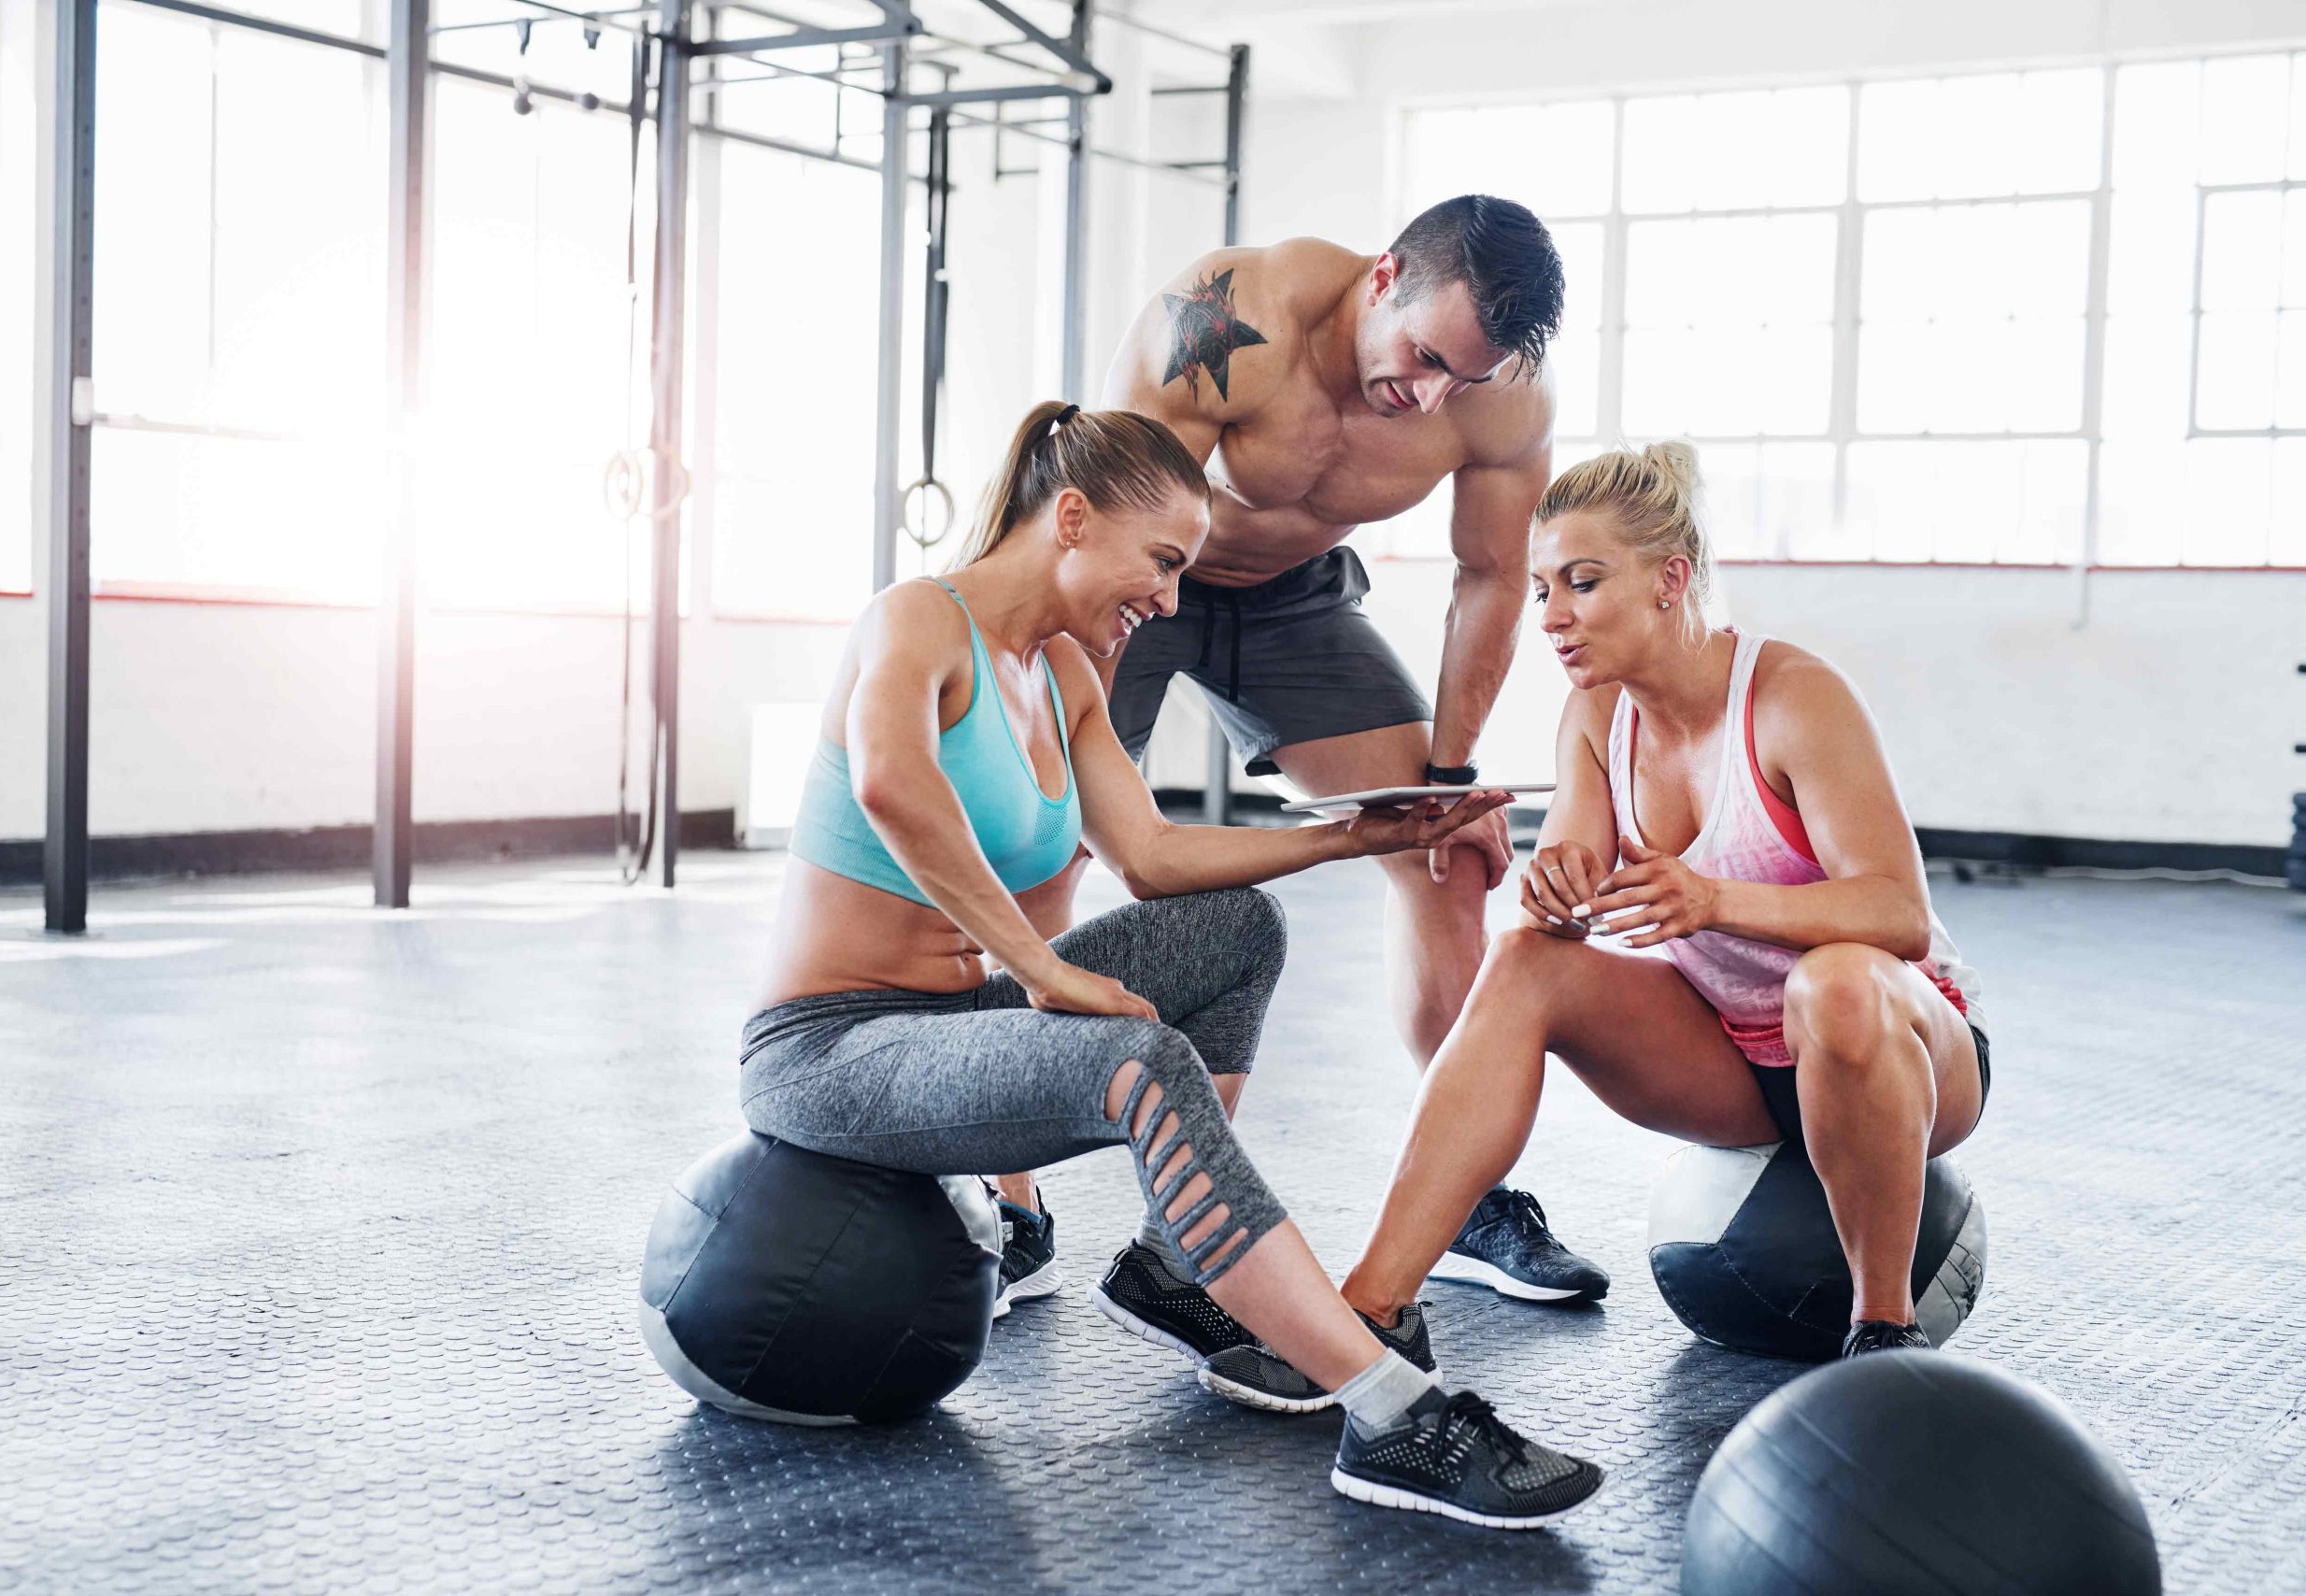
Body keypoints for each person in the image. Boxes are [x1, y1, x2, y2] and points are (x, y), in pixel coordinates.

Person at [740, 399, 1603, 1528]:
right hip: (829, 1053)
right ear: (1071, 518)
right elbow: (891, 785)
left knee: (1237, 928)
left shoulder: (1061, 672)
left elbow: (1150, 856)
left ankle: (1170, 1266)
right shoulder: (914, 622)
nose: (1168, 598)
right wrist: (1043, 971)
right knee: (1142, 1064)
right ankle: (1394, 1412)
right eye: (1160, 562)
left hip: (952, 1027)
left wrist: (1358, 834)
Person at [1219, 442, 1990, 1397]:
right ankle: (1368, 1320)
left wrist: (1714, 899)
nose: (1550, 616)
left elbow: (1896, 914)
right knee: (1522, 961)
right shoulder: (1595, 715)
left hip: (1902, 1049)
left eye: (1581, 584)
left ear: (1670, 579)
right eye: (1543, 588)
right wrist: (1555, 890)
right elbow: (1569, 875)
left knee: (1833, 979)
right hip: (1737, 1059)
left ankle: (1882, 1331)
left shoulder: (1793, 697)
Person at [999, 194, 1610, 1313]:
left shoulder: (1504, 395)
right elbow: (1123, 520)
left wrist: (1448, 780)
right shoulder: (1226, 320)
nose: (1432, 396)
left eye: (1462, 380)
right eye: (1423, 358)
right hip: (1141, 584)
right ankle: (1012, 1211)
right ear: (1382, 278)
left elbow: (1488, 576)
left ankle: (1468, 1201)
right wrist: (1066, 731)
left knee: (1447, 854)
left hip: (1296, 603)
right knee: (1041, 845)